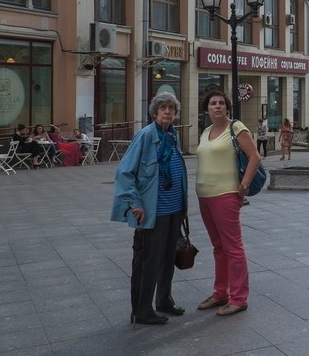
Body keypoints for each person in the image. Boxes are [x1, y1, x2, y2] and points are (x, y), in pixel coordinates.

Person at [110, 93, 187, 326]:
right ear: (154, 113)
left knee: (167, 258)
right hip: (153, 212)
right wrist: (135, 204)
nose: (167, 112)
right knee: (149, 262)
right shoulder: (144, 137)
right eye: (163, 108)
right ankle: (142, 310)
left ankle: (164, 300)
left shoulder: (172, 136)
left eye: (171, 108)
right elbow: (124, 173)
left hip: (174, 210)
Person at [196, 89, 262, 316]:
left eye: (221, 103)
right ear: (206, 109)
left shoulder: (236, 128)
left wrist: (243, 186)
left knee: (233, 248)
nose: (217, 106)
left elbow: (255, 156)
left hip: (226, 195)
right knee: (218, 247)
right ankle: (220, 292)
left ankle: (239, 298)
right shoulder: (205, 131)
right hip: (204, 196)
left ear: (227, 107)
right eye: (213, 103)